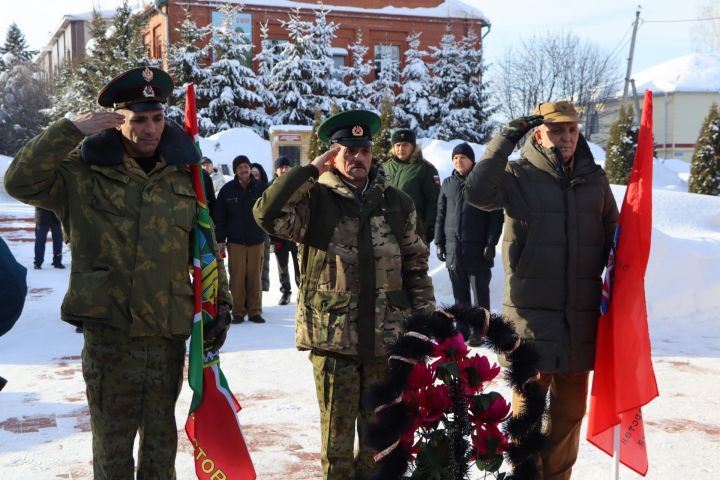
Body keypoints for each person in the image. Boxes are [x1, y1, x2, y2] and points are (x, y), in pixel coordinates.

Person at [3, 66, 233, 480]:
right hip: (112, 335)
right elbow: (19, 181)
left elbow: (204, 245)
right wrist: (69, 129)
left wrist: (221, 304)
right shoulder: (82, 173)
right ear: (116, 121)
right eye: (139, 119)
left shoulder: (184, 176)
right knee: (113, 445)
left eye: (158, 118)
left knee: (162, 444)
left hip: (166, 334)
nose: (150, 130)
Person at [254, 110, 435, 479]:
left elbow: (415, 264)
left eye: (364, 150)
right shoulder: (315, 200)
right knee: (336, 450)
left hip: (386, 342)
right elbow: (267, 215)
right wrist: (308, 171)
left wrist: (423, 326)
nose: (358, 157)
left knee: (379, 445)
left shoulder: (397, 202)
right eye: (347, 150)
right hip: (333, 341)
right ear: (331, 154)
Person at [464, 100, 619, 480]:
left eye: (571, 129)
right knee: (527, 421)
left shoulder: (594, 180)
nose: (566, 137)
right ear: (538, 133)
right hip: (530, 323)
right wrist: (505, 138)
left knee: (569, 419)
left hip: (579, 323)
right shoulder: (518, 175)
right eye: (556, 130)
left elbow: (618, 243)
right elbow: (477, 192)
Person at [435, 142, 503, 346]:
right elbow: (441, 214)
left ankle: (479, 331)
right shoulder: (447, 184)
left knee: (480, 295)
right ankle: (462, 330)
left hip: (478, 250)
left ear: (472, 160)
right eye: (455, 158)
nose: (459, 161)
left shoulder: (484, 183)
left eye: (463, 157)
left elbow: (496, 216)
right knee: (460, 295)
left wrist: (491, 243)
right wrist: (439, 242)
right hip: (454, 249)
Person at [214, 155, 267, 324]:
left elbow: (270, 210)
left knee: (254, 276)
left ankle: (255, 311)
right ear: (235, 171)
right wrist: (220, 238)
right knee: (236, 276)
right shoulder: (227, 190)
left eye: (246, 167)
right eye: (239, 168)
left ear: (250, 168)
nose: (243, 170)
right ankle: (237, 311)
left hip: (256, 239)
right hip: (235, 241)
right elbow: (220, 216)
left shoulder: (261, 187)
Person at [382, 128, 440, 244]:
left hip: (415, 232)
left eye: (405, 145)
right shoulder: (385, 168)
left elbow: (434, 201)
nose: (401, 149)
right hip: (387, 233)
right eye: (398, 145)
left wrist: (429, 228)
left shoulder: (426, 169)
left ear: (413, 146)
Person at [269, 156, 299, 305]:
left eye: (287, 166)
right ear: (276, 170)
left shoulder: (298, 184)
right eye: (281, 167)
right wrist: (271, 235)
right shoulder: (270, 187)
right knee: (282, 266)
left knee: (300, 264)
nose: (284, 169)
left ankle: (302, 290)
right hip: (279, 235)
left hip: (296, 233)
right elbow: (266, 213)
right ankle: (285, 292)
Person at [250, 162, 271, 294]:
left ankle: (258, 299)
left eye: (257, 175)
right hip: (246, 234)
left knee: (262, 267)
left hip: (262, 233)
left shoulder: (267, 191)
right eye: (252, 175)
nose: (254, 177)